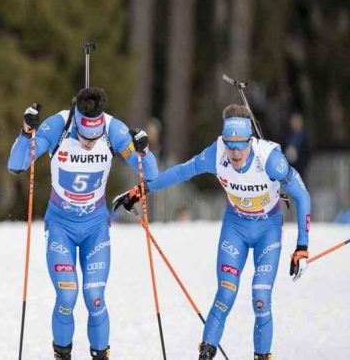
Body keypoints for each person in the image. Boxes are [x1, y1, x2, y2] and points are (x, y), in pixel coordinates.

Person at [112, 104, 312, 360]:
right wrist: (141, 190)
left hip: (268, 229)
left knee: (261, 298)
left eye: (241, 144)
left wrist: (302, 246)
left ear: (250, 140)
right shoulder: (216, 154)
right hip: (235, 228)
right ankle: (205, 354)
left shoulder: (271, 160)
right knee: (225, 295)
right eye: (230, 144)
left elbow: (302, 195)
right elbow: (183, 171)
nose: (235, 151)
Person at [7, 87, 158, 360]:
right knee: (67, 297)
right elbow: (17, 164)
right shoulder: (59, 125)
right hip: (61, 225)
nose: (89, 143)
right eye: (84, 137)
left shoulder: (113, 129)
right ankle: (62, 355)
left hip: (95, 228)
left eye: (94, 138)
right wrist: (26, 133)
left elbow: (152, 175)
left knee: (95, 298)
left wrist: (144, 151)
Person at [283, 112, 311, 178]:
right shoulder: (287, 135)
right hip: (288, 167)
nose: (295, 123)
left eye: (297, 121)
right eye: (293, 121)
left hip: (300, 167)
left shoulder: (304, 137)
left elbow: (307, 153)